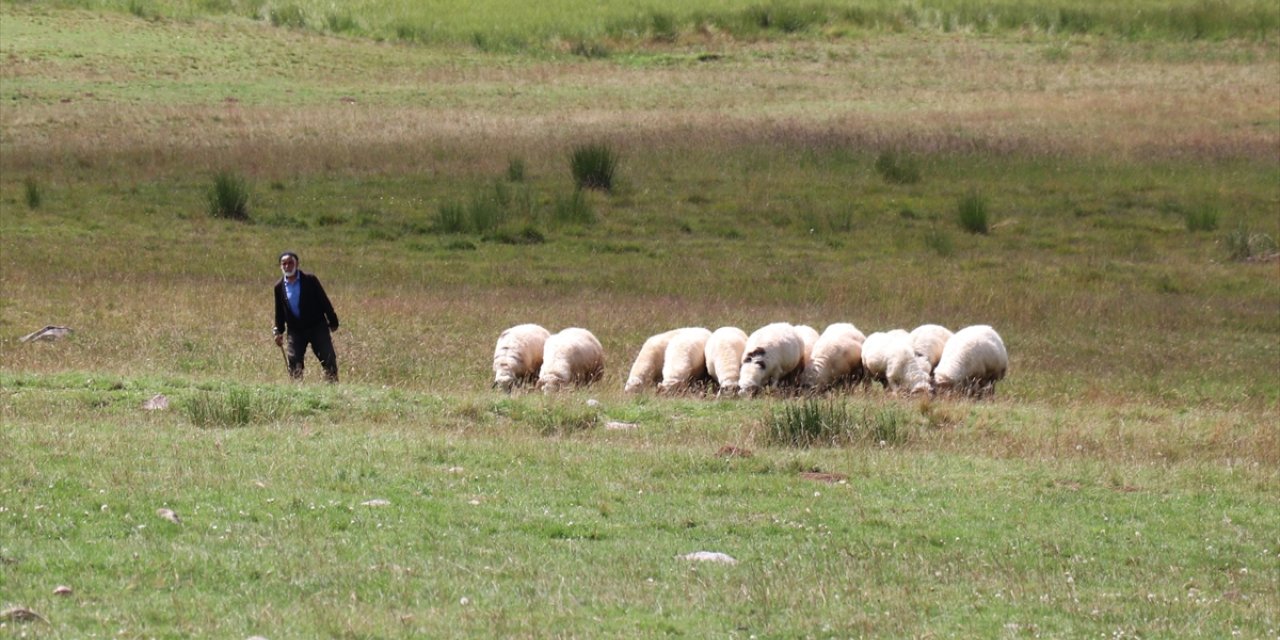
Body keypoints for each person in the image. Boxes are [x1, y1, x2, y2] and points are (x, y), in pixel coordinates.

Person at [273, 251, 340, 382]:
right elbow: (279, 311)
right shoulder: (279, 287)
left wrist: (333, 321)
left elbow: (324, 301)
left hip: (317, 327)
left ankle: (333, 388)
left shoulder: (310, 280)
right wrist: (278, 330)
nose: (287, 266)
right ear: (281, 266)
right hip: (295, 330)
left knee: (328, 357)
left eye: (290, 263)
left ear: (297, 264)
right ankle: (297, 391)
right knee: (294, 359)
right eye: (284, 264)